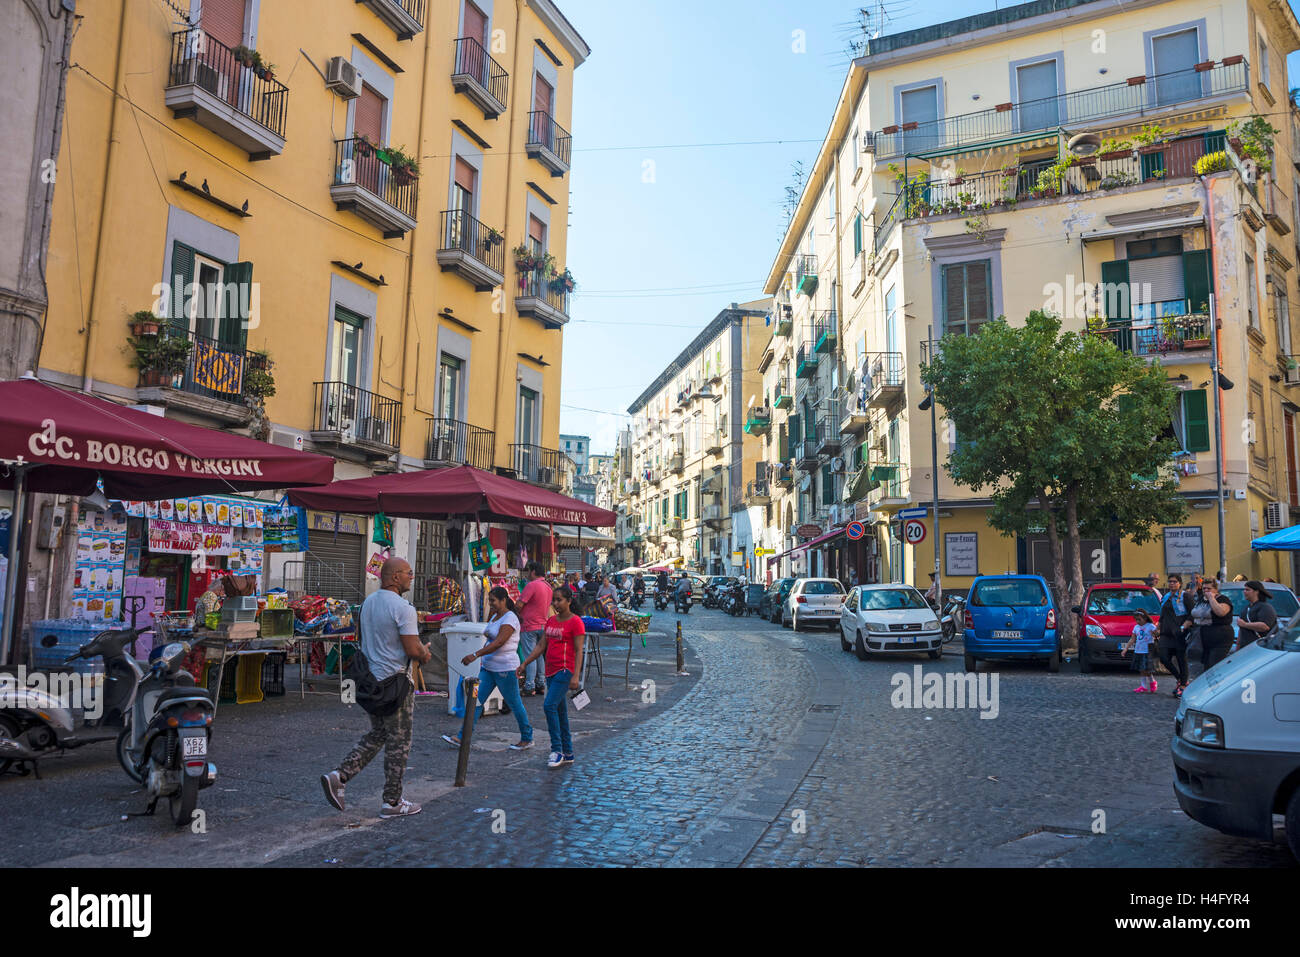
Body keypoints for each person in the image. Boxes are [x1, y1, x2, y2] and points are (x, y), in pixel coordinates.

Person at [321, 558, 430, 818]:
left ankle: (340, 775)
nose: (411, 577)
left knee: (379, 733)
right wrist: (424, 654)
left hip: (372, 682)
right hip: (396, 685)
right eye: (408, 573)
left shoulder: (369, 602)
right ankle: (392, 801)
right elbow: (412, 648)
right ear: (394, 577)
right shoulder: (404, 608)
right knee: (399, 743)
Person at [441, 587, 532, 750]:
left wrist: (475, 654)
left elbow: (498, 642)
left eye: (493, 601)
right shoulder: (496, 616)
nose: (490, 604)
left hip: (505, 669)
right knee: (475, 701)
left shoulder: (510, 618)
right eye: (489, 600)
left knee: (514, 702)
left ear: (503, 600)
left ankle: (527, 736)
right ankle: (462, 737)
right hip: (488, 668)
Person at [517, 585, 585, 769]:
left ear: (569, 601)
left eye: (559, 600)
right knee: (560, 711)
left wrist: (576, 676)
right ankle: (568, 751)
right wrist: (525, 663)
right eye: (553, 600)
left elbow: (579, 651)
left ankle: (557, 750)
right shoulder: (551, 621)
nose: (555, 603)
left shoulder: (576, 622)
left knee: (549, 706)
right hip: (550, 671)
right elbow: (541, 646)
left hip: (565, 670)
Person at [1185, 578, 1234, 672]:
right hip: (1203, 637)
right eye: (1204, 589)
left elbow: (1221, 612)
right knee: (1206, 665)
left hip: (1220, 636)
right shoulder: (1201, 600)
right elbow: (1193, 615)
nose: (1206, 591)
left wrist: (1211, 598)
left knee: (1214, 665)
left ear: (1215, 589)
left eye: (1209, 588)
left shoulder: (1222, 599)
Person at [518, 561, 551, 696]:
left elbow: (519, 604)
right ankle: (540, 684)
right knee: (539, 656)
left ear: (532, 572)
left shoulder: (531, 585)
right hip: (543, 624)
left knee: (530, 656)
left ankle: (530, 685)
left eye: (528, 571)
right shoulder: (548, 586)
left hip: (530, 625)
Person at [1157, 573, 1192, 697]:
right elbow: (1163, 614)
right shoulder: (1166, 597)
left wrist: (1184, 626)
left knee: (1181, 659)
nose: (1172, 583)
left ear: (1180, 583)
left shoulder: (1185, 596)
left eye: (1174, 581)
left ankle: (1183, 685)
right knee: (1163, 657)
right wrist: (1158, 626)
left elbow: (1192, 613)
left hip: (1179, 633)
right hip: (1166, 633)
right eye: (1170, 581)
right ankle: (1181, 679)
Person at [1121, 608, 1159, 693]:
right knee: (1141, 669)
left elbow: (1157, 634)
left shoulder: (1150, 626)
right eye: (1136, 620)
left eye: (1139, 619)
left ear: (1145, 618)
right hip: (1139, 650)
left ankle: (1152, 682)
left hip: (1147, 651)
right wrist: (1126, 648)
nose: (1138, 621)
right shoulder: (1136, 627)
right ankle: (1143, 686)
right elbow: (1132, 639)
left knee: (1147, 670)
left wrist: (1156, 632)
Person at [1234, 580, 1277, 650]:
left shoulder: (1265, 607)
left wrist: (1245, 624)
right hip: (1245, 648)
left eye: (1247, 590)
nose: (1244, 592)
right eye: (1244, 589)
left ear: (1256, 591)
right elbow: (1241, 631)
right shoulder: (1246, 608)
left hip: (1260, 648)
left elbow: (1264, 626)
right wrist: (1238, 647)